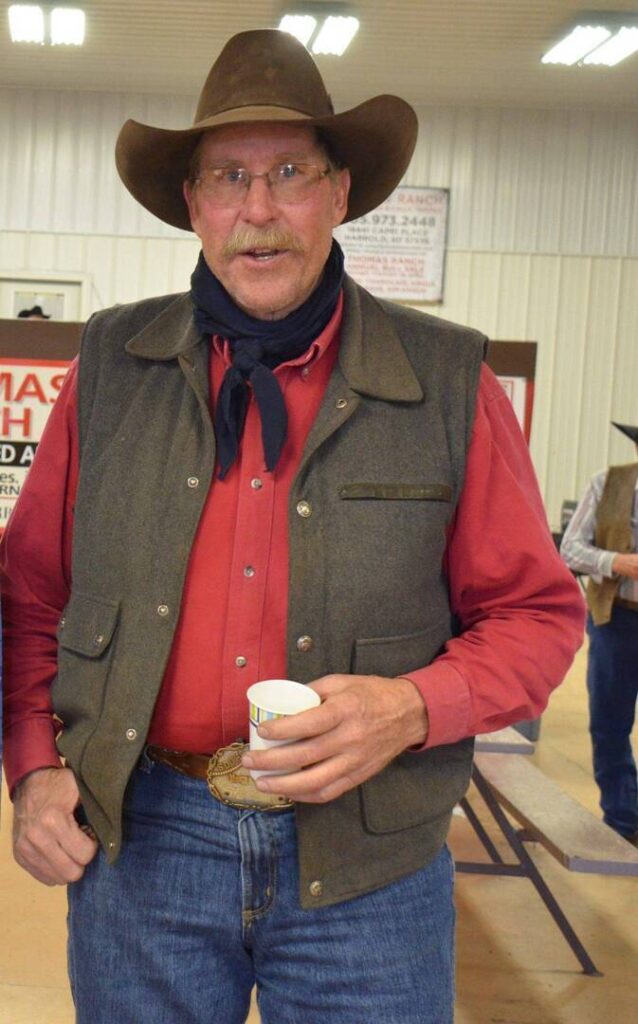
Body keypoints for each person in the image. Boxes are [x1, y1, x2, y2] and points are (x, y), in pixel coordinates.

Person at [1, 29, 584, 1024]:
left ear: (340, 193)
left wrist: (411, 706)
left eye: (289, 174)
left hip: (369, 859)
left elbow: (537, 616)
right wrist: (34, 768)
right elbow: (29, 593)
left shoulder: (447, 381)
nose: (258, 209)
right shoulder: (111, 367)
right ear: (194, 205)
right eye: (228, 177)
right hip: (142, 842)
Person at [561, 421, 638, 844]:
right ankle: (623, 821)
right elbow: (569, 549)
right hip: (618, 619)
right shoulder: (606, 484)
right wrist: (615, 562)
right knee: (610, 724)